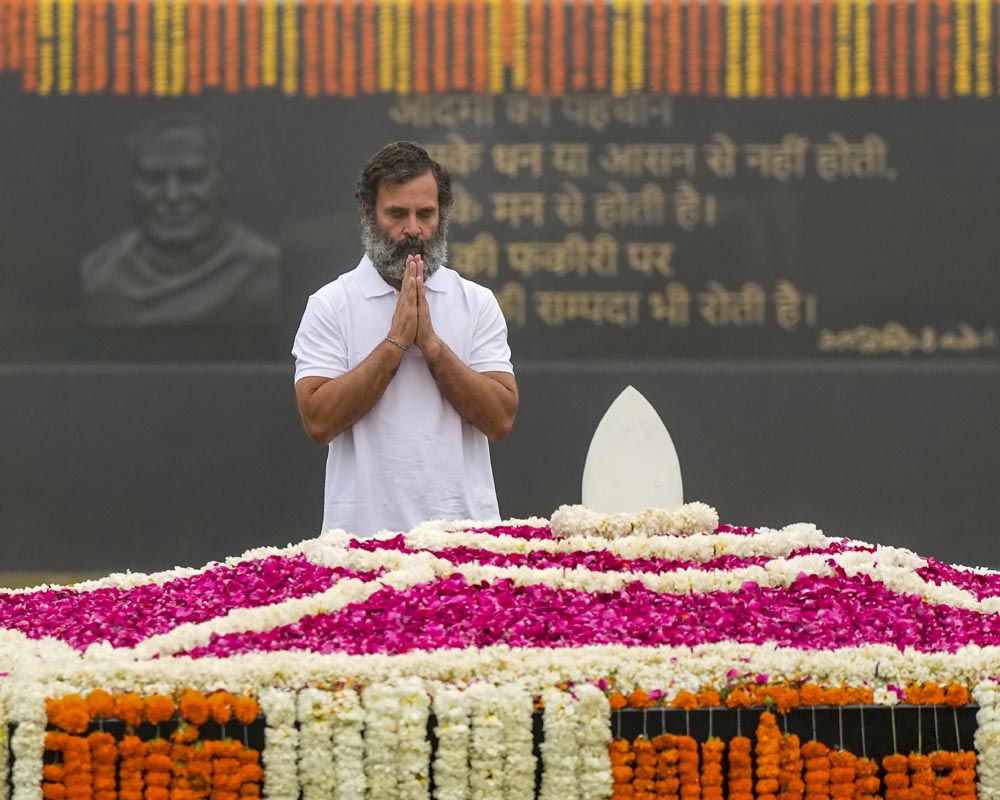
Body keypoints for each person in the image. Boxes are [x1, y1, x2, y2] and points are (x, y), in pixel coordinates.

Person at [292, 141, 518, 537]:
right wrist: (395, 344)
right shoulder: (330, 304)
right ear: (369, 213)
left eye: (425, 214)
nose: (413, 230)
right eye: (397, 213)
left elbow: (500, 418)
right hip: (359, 544)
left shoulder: (477, 303)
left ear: (441, 216)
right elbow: (318, 420)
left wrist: (431, 346)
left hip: (466, 542)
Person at [81, 112, 281, 328]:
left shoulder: (267, 272)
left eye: (192, 177)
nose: (172, 195)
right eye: (153, 179)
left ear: (224, 182)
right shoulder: (98, 276)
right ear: (131, 186)